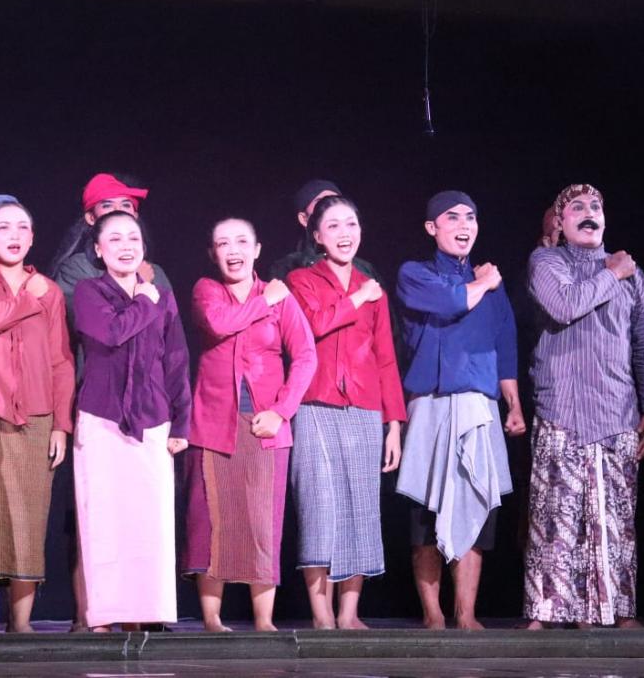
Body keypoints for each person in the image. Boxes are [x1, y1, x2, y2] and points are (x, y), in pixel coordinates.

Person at [522, 184, 644, 630]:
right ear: (560, 223)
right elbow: (564, 305)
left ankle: (618, 612)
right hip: (561, 410)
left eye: (596, 207)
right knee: (556, 516)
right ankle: (546, 613)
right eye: (577, 208)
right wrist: (611, 273)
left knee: (615, 520)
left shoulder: (634, 277)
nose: (589, 213)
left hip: (617, 412)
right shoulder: (547, 262)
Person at [395, 191, 525, 631]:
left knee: (477, 502)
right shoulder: (415, 273)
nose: (464, 225)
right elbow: (451, 302)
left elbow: (505, 345)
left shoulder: (490, 282)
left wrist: (513, 403)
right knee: (425, 511)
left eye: (471, 217)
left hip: (478, 404)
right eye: (452, 218)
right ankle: (433, 613)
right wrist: (484, 282)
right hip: (431, 403)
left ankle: (466, 612)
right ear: (432, 228)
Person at [50, 172, 171, 630]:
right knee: (95, 513)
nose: (121, 216)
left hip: (146, 406)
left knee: (143, 512)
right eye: (109, 209)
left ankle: (143, 612)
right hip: (96, 399)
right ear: (92, 224)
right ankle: (91, 614)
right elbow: (102, 330)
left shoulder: (154, 275)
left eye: (128, 210)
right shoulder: (77, 274)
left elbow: (172, 349)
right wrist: (142, 299)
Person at [184, 218, 316, 632]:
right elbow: (220, 323)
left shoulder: (281, 298)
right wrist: (265, 301)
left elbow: (306, 356)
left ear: (257, 250)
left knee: (263, 522)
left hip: (266, 425)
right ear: (213, 253)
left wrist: (282, 411)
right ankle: (212, 619)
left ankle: (264, 621)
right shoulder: (207, 290)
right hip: (212, 423)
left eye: (242, 241)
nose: (233, 250)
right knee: (210, 521)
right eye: (223, 243)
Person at [284, 195, 406, 630]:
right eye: (333, 226)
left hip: (364, 408)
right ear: (317, 236)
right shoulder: (301, 280)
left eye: (351, 224)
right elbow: (315, 324)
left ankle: (349, 614)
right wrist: (357, 298)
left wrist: (394, 424)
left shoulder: (373, 289)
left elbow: (386, 358)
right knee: (318, 508)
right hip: (315, 405)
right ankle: (322, 616)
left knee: (361, 509)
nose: (344, 233)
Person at [0, 199, 74, 632]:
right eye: (3, 227)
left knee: (29, 519)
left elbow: (61, 360)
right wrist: (29, 297)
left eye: (23, 227)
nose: (14, 235)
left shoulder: (49, 290)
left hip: (37, 416)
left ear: (33, 237)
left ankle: (21, 623)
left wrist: (61, 423)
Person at [71, 211, 190, 631]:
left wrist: (182, 423)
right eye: (115, 239)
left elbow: (176, 361)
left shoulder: (162, 296)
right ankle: (105, 614)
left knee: (149, 522)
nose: (126, 246)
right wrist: (144, 300)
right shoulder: (89, 291)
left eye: (133, 238)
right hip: (101, 418)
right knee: (104, 520)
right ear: (99, 249)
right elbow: (111, 332)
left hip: (153, 418)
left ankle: (146, 614)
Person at [268, 179, 383, 284]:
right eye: (320, 203)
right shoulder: (287, 268)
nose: (330, 207)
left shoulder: (366, 270)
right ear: (303, 219)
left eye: (336, 201)